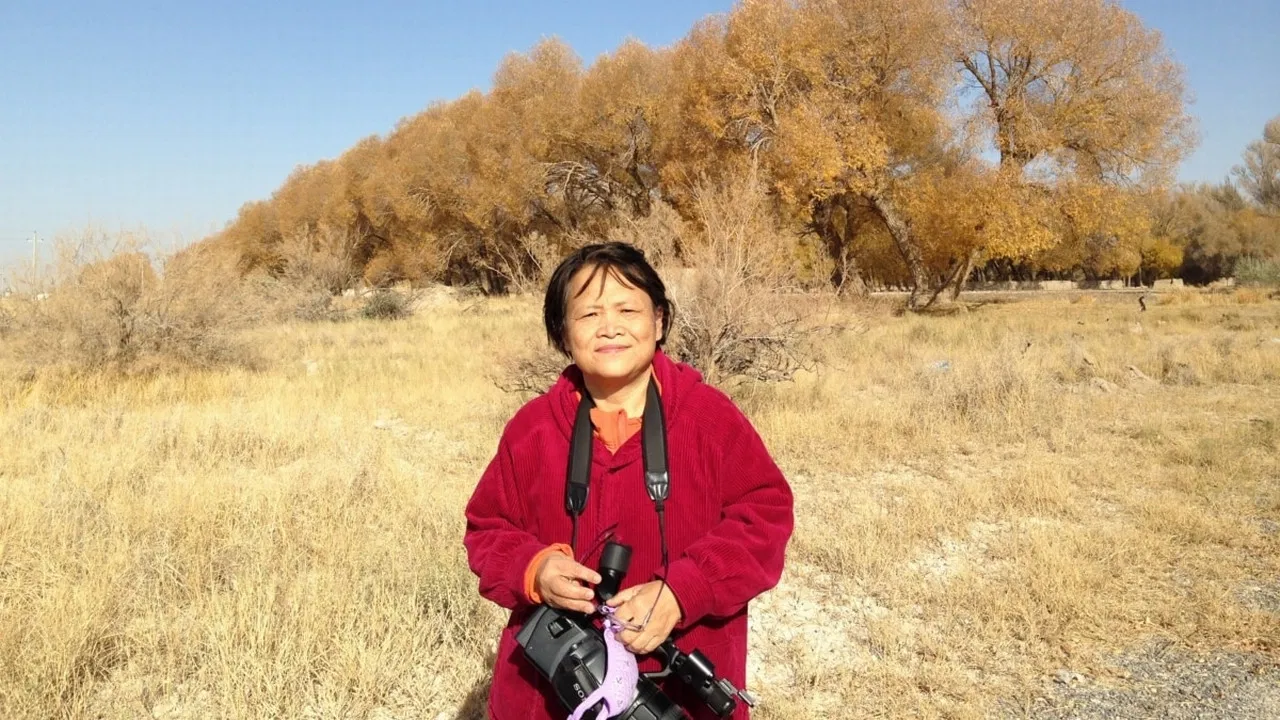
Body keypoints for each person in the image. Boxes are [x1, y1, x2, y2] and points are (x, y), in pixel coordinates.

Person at [464, 242, 794, 720]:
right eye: (589, 313)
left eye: (627, 309)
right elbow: (486, 530)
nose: (610, 327)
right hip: (550, 693)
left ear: (658, 320)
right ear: (562, 332)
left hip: (673, 699)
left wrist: (684, 592)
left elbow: (765, 518)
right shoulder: (531, 430)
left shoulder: (710, 419)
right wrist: (534, 571)